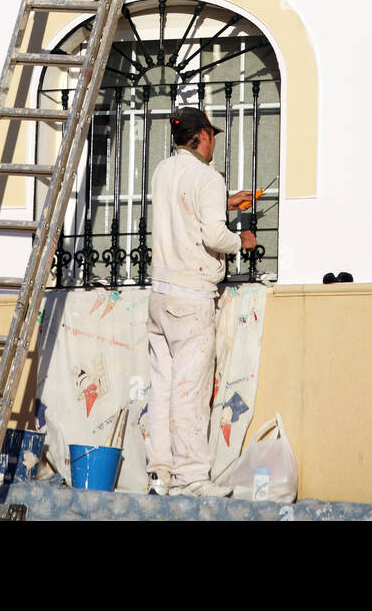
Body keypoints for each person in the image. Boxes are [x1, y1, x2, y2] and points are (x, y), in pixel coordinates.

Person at [144, 106, 258, 498]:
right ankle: (192, 478)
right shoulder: (207, 177)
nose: (214, 144)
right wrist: (241, 240)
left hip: (159, 295)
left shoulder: (163, 171)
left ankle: (159, 474)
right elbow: (213, 237)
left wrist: (224, 203)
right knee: (189, 390)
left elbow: (183, 209)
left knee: (162, 388)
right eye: (212, 136)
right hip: (191, 297)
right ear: (202, 136)